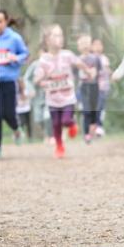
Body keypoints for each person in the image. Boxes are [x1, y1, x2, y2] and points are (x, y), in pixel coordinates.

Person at [33, 24, 92, 158]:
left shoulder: (67, 55)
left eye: (61, 35)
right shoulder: (44, 59)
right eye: (56, 35)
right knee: (56, 123)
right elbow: (37, 80)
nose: (60, 38)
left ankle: (72, 124)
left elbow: (79, 63)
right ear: (47, 40)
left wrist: (88, 72)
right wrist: (42, 78)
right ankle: (59, 147)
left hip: (67, 97)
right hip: (52, 98)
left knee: (65, 120)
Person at [0, 9, 29, 158]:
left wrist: (15, 58)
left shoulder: (14, 38)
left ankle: (16, 129)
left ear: (6, 21)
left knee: (9, 114)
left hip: (9, 81)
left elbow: (25, 55)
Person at [76, 34, 103, 143]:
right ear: (78, 47)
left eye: (87, 43)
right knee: (86, 110)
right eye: (82, 44)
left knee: (94, 110)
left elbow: (98, 72)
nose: (85, 46)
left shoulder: (96, 59)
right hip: (83, 87)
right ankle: (86, 134)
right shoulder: (77, 60)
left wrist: (94, 76)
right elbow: (74, 74)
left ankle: (94, 129)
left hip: (94, 86)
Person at [92, 38, 111, 136]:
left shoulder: (104, 58)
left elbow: (108, 71)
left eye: (100, 45)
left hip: (103, 87)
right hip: (93, 88)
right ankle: (96, 126)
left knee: (100, 107)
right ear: (92, 47)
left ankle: (99, 126)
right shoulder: (90, 58)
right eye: (95, 45)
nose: (98, 47)